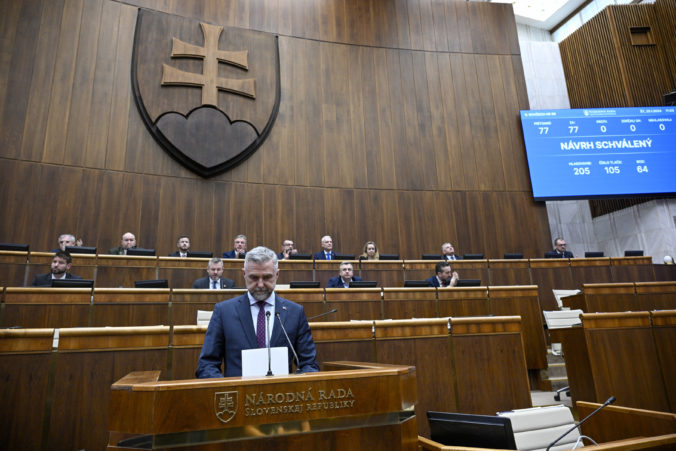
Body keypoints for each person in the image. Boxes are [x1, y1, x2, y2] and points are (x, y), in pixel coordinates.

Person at [196, 246, 319, 378]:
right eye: (254, 278)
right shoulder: (224, 311)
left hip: (282, 395)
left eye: (267, 278)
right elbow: (207, 364)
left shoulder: (295, 312)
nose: (260, 284)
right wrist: (227, 389)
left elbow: (309, 364)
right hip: (238, 394)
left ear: (277, 274)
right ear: (244, 274)